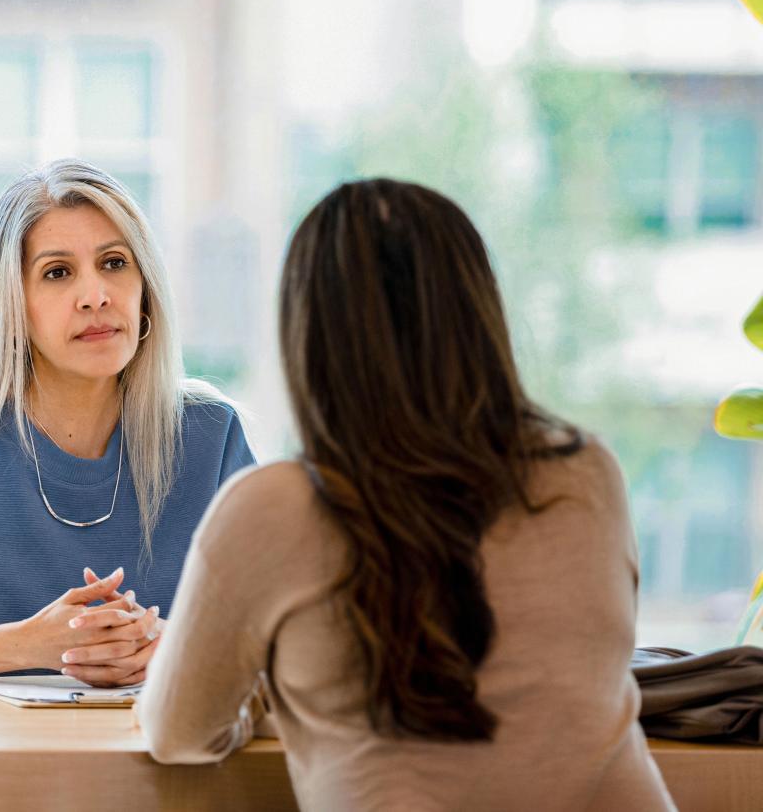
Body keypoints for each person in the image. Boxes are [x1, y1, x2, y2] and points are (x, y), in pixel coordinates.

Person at [136, 179, 674, 810]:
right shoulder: (588, 473)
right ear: (479, 314)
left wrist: (268, 687)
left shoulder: (275, 508)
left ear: (310, 334)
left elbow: (177, 734)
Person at [0, 158, 254, 687]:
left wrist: (171, 644)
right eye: (58, 273)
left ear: (145, 287)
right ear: (12, 304)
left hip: (173, 759)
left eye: (114, 263)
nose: (96, 296)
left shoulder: (211, 436)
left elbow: (287, 630)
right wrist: (34, 642)